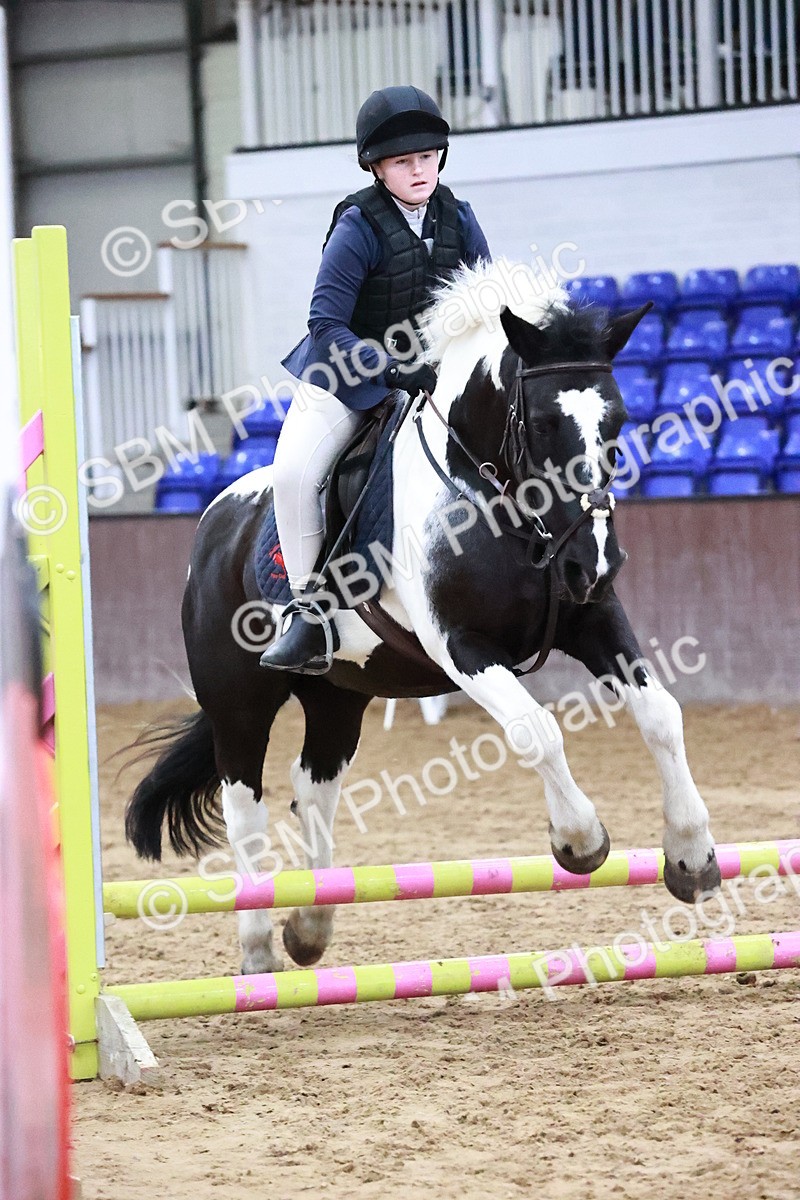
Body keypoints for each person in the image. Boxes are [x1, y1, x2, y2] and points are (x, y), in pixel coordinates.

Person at [260, 84, 491, 674]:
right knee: (292, 475)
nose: (418, 170)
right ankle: (308, 614)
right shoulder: (359, 226)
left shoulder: (460, 220)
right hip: (346, 380)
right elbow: (325, 322)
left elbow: (487, 303)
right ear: (377, 167)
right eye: (402, 161)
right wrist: (387, 370)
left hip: (430, 381)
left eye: (426, 157)